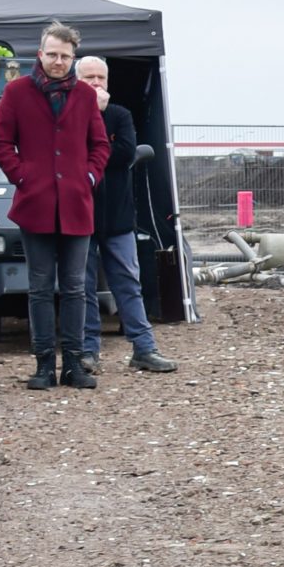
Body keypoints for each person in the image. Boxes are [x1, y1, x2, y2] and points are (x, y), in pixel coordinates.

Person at [0, 22, 108, 391]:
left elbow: (100, 146)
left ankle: (74, 364)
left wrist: (88, 177)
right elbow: (0, 143)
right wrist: (24, 177)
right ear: (40, 54)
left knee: (75, 287)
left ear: (73, 58)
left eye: (65, 56)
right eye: (52, 54)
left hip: (76, 203)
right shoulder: (17, 92)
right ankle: (44, 364)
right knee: (40, 287)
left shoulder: (86, 97)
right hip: (35, 203)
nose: (58, 61)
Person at [76, 56, 177, 376]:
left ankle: (144, 348)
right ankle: (88, 351)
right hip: (80, 217)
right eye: (88, 77)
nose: (95, 83)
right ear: (75, 80)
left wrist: (100, 119)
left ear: (108, 82)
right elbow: (74, 155)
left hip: (118, 218)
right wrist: (91, 116)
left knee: (129, 284)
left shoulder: (120, 115)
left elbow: (122, 154)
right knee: (82, 287)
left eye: (100, 77)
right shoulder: (68, 117)